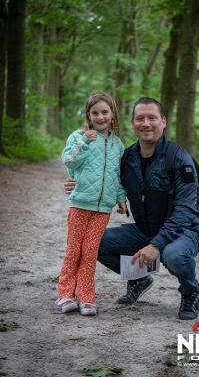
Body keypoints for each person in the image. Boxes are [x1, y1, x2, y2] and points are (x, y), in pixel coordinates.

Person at [65, 97, 199, 320]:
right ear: (132, 123)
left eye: (152, 118)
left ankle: (190, 292)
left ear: (163, 121)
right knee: (93, 244)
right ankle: (139, 279)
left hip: (182, 232)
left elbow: (186, 211)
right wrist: (74, 182)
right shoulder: (127, 157)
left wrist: (157, 245)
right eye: (140, 118)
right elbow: (103, 177)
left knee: (174, 255)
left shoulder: (179, 158)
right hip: (145, 230)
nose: (146, 123)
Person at [56, 91, 127, 316]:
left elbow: (118, 175)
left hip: (102, 209)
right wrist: (85, 141)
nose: (100, 117)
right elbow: (69, 160)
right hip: (80, 204)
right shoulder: (78, 136)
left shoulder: (118, 145)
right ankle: (65, 295)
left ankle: (86, 297)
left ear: (113, 114)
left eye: (105, 112)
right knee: (74, 251)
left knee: (89, 252)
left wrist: (120, 198)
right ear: (88, 115)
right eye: (95, 112)